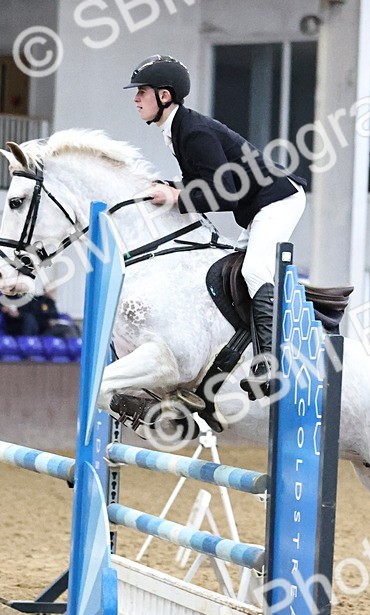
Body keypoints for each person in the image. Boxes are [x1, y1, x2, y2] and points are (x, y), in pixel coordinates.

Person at [125, 54, 307, 399]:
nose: (136, 98)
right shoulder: (178, 130)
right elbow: (203, 181)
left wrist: (177, 197)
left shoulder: (193, 132)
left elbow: (227, 193)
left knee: (255, 270)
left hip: (278, 200)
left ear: (165, 96)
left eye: (142, 91)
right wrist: (170, 186)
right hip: (256, 205)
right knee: (228, 268)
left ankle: (272, 363)